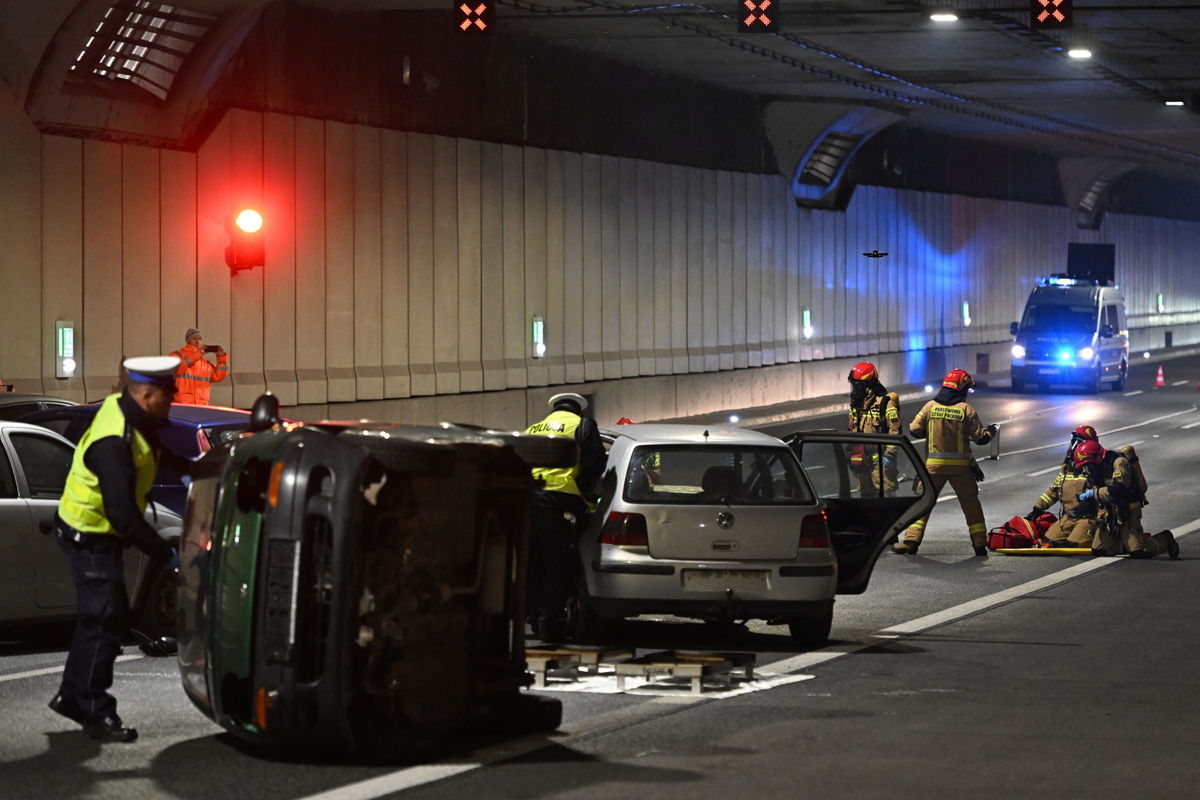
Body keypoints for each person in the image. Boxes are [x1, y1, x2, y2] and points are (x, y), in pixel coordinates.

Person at [48, 356, 192, 742]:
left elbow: (156, 451)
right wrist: (166, 555)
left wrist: (198, 466)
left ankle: (71, 695)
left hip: (95, 530)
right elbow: (122, 515)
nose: (172, 400)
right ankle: (93, 707)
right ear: (146, 394)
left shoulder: (130, 410)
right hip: (89, 531)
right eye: (168, 394)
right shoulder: (114, 439)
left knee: (100, 617)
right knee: (107, 618)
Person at [523, 392, 606, 639]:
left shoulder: (532, 429)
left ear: (553, 409)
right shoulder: (582, 426)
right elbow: (595, 464)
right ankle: (550, 621)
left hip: (529, 503)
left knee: (533, 563)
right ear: (578, 411)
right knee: (557, 564)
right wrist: (587, 495)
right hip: (561, 505)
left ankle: (532, 617)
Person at [894, 368, 996, 556]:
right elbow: (981, 439)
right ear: (961, 389)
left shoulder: (930, 406)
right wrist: (992, 431)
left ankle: (911, 541)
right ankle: (980, 544)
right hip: (962, 470)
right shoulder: (966, 409)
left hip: (934, 468)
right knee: (971, 504)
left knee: (923, 503)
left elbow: (915, 430)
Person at [1071, 440, 1178, 559]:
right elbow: (1098, 489)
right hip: (1110, 513)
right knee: (1099, 550)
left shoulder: (1119, 463)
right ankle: (1127, 545)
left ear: (1096, 459)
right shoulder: (1097, 469)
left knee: (1139, 552)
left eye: (1087, 465)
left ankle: (1164, 539)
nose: (1086, 469)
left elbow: (1118, 489)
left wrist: (1094, 494)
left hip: (1128, 511)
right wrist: (1088, 504)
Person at [1025, 426, 1100, 548]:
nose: (1075, 446)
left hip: (1088, 519)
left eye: (1079, 442)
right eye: (1074, 441)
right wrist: (1037, 509)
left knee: (1074, 544)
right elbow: (1054, 490)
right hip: (1068, 518)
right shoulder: (1068, 467)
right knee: (1050, 542)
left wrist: (1093, 503)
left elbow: (1108, 493)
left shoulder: (1096, 466)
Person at [845, 362, 901, 497]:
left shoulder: (884, 404)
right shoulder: (855, 405)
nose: (855, 389)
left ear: (869, 385)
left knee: (886, 499)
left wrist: (889, 456)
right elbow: (851, 430)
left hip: (881, 463)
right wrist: (851, 453)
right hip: (862, 460)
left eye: (857, 385)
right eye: (853, 385)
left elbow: (895, 433)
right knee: (866, 499)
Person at [169, 328, 228, 405]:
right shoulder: (176, 356)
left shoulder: (204, 363)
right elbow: (178, 369)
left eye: (200, 339)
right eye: (194, 338)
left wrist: (221, 358)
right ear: (188, 340)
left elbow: (219, 376)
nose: (198, 341)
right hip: (182, 405)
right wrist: (198, 353)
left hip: (201, 406)